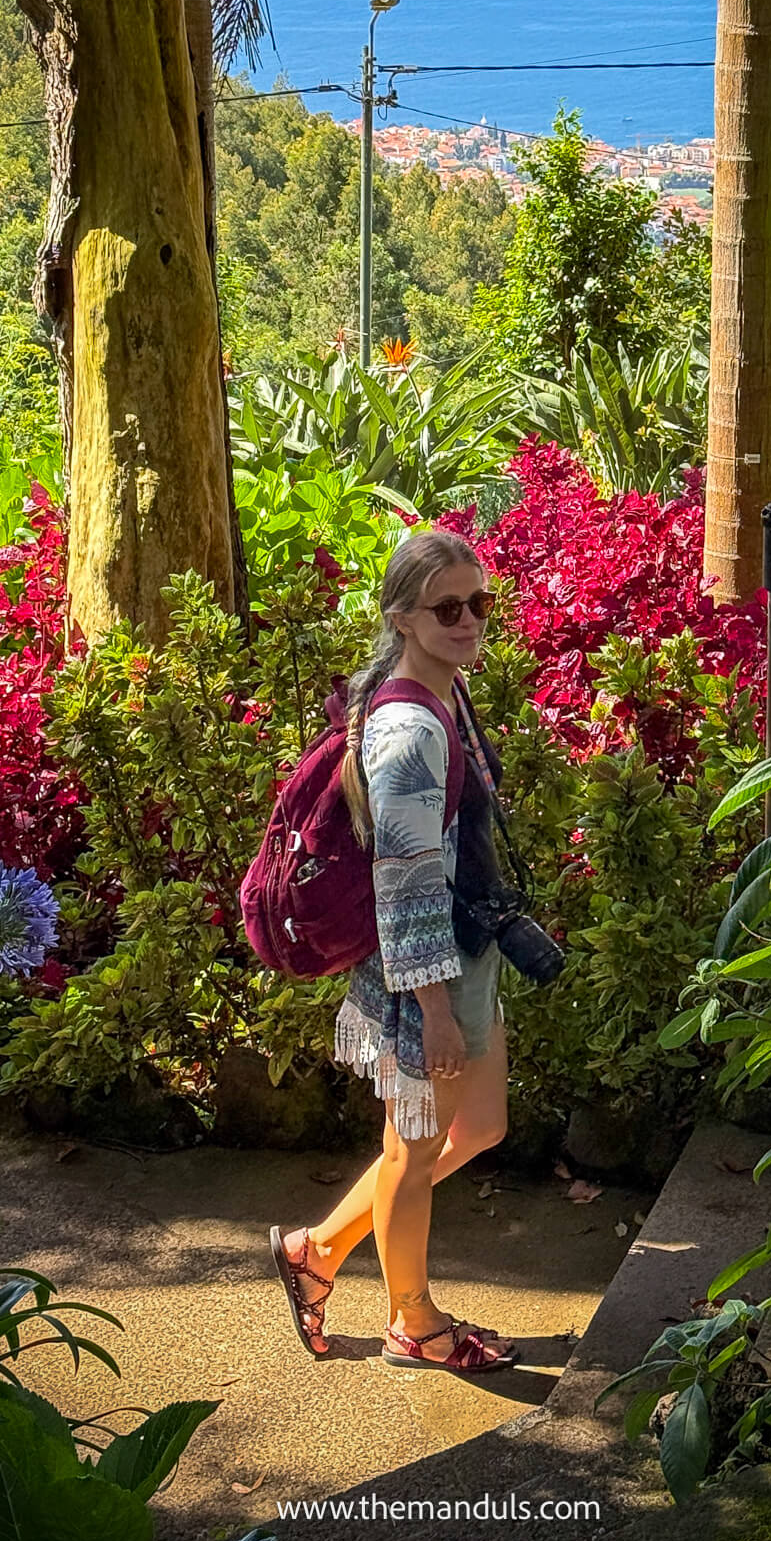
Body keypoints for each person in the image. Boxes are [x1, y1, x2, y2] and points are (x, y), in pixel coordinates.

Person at [269, 529, 519, 1373]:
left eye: (479, 603)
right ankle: (414, 1323)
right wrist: (434, 1011)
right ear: (404, 617)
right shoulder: (411, 728)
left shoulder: (439, 693)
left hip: (465, 945)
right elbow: (404, 882)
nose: (469, 621)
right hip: (428, 969)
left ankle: (317, 1252)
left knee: (479, 1127)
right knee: (411, 1155)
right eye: (449, 608)